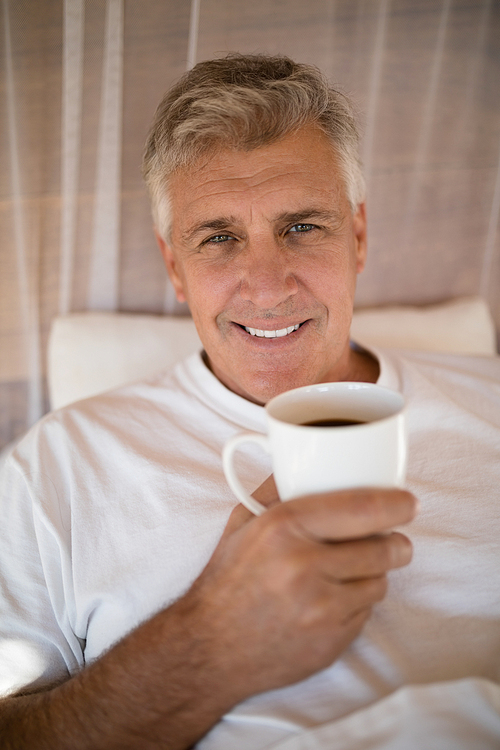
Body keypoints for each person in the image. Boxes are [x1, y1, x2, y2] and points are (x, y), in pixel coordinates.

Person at [0, 53, 499, 750]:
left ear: (357, 237)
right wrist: (205, 643)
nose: (266, 287)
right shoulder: (55, 467)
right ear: (175, 266)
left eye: (302, 227)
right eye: (219, 239)